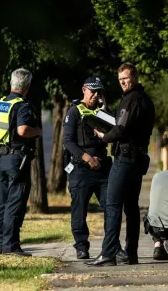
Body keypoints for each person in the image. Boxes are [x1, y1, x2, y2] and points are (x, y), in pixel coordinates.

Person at [87, 63, 155, 266]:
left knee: (113, 204)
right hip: (137, 158)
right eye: (120, 80)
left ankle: (108, 254)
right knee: (131, 207)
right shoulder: (144, 100)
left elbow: (121, 129)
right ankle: (131, 253)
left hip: (125, 159)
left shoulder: (132, 99)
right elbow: (124, 124)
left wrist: (104, 136)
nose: (123, 82)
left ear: (135, 76)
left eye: (126, 78)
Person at [63, 76, 124, 260]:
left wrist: (105, 111)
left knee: (111, 207)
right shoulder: (74, 112)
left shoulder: (102, 111)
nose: (96, 95)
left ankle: (113, 246)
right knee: (79, 209)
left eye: (99, 92)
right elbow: (68, 142)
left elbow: (116, 131)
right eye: (93, 91)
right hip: (81, 168)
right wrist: (87, 158)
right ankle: (81, 246)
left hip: (103, 168)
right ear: (84, 90)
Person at [0, 68, 42, 256]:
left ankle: (0, 244)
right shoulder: (22, 105)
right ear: (27, 86)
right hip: (16, 159)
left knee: (2, 202)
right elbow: (22, 130)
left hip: (1, 156)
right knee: (15, 202)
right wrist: (37, 131)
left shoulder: (1, 102)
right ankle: (11, 245)